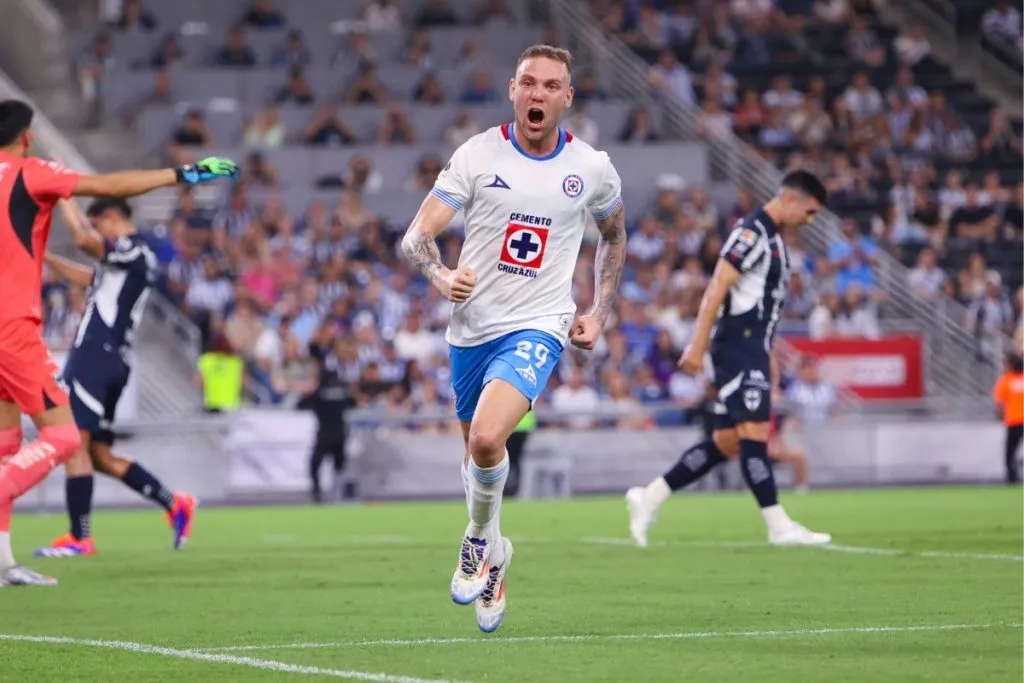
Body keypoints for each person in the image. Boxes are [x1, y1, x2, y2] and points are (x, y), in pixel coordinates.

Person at [400, 45, 626, 632]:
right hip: (470, 329)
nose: (539, 94)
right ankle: (498, 559)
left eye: (552, 86)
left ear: (567, 98)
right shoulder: (477, 155)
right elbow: (416, 236)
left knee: (485, 439)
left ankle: (476, 541)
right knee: (478, 459)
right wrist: (441, 274)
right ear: (512, 90)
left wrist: (600, 311)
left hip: (540, 324)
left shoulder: (593, 168)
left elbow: (615, 235)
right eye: (529, 83)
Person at [0, 99, 237, 586]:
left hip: (98, 353)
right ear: (26, 137)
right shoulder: (29, 174)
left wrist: (57, 210)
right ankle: (155, 508)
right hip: (47, 338)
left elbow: (90, 254)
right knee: (78, 444)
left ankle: (54, 543)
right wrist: (182, 175)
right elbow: (94, 237)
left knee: (63, 444)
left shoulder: (133, 249)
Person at [626, 170, 832, 548]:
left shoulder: (773, 239)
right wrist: (697, 345)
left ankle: (649, 496)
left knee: (726, 441)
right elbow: (718, 284)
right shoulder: (752, 232)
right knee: (756, 434)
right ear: (791, 200)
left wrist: (766, 354)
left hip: (752, 347)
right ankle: (779, 525)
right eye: (810, 211)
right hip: (738, 345)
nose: (810, 220)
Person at [35, 197, 198, 558]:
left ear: (111, 219)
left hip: (95, 357)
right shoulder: (123, 267)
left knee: (73, 443)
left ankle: (80, 537)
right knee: (100, 455)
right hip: (113, 361)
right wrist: (42, 258)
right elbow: (86, 276)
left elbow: (84, 240)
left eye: (98, 223)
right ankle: (175, 503)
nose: (96, 233)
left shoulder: (132, 249)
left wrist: (64, 195)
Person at [300, 353, 358, 503]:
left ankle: (317, 495)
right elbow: (353, 403)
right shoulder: (342, 391)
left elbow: (302, 404)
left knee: (314, 465)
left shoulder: (319, 391)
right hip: (340, 434)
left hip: (324, 434)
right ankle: (343, 497)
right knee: (340, 468)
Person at [992, 353, 1024, 483]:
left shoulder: (1006, 380)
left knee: (1010, 452)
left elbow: (999, 401)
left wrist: (999, 414)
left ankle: (1012, 478)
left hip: (1014, 421)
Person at [504, 410, 535, 498]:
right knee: (515, 459)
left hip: (511, 426)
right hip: (524, 425)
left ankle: (508, 487)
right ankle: (515, 487)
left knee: (507, 459)